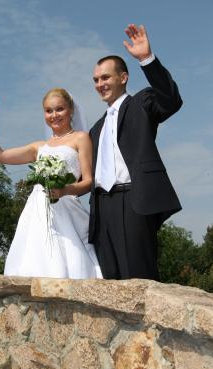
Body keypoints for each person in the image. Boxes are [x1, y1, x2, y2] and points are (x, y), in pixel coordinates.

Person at [88, 24, 183, 281]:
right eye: (96, 80)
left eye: (105, 77)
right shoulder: (95, 129)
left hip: (133, 201)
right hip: (100, 206)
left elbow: (171, 100)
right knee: (109, 281)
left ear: (123, 77)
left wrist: (147, 60)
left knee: (138, 279)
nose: (100, 84)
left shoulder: (141, 103)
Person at [0, 88, 102, 279]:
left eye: (59, 109)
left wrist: (65, 189)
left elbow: (88, 181)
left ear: (70, 110)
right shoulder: (39, 147)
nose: (54, 115)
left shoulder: (81, 138)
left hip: (66, 208)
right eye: (48, 111)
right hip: (36, 210)